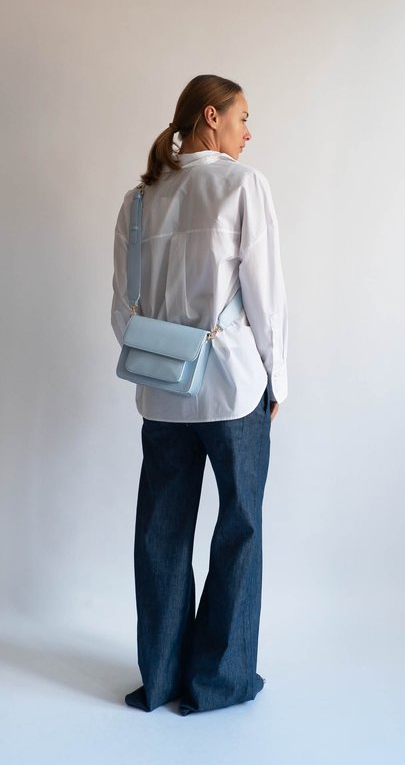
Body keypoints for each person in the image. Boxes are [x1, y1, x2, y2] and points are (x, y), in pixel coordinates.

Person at [111, 74, 288, 715]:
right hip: (233, 389)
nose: (249, 132)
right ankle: (219, 683)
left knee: (160, 532)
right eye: (243, 117)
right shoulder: (243, 185)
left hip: (161, 394)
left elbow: (122, 309)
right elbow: (267, 298)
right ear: (211, 117)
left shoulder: (139, 200)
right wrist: (278, 376)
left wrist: (162, 356)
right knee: (239, 528)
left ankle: (160, 680)